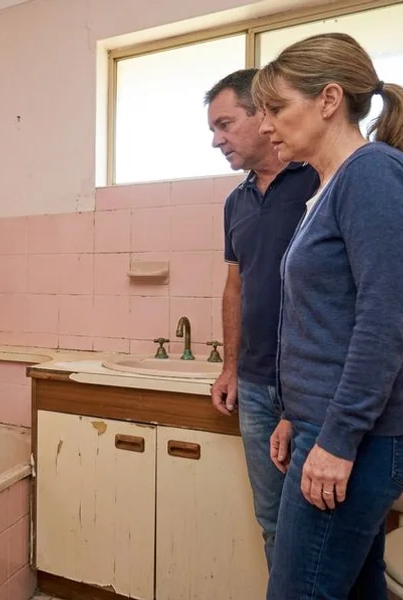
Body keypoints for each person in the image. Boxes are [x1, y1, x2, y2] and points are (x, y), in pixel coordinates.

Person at [252, 32, 403, 599]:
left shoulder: (372, 174)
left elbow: (385, 319)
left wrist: (337, 439)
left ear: (329, 99)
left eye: (276, 108)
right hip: (328, 426)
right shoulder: (330, 186)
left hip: (355, 438)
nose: (265, 125)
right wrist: (294, 413)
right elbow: (324, 323)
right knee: (361, 591)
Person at [205, 69, 319, 570]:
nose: (217, 140)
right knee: (273, 522)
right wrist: (230, 367)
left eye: (226, 124)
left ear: (262, 114)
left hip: (312, 388)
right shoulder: (236, 202)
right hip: (253, 387)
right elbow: (237, 286)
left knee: (321, 525)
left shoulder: (321, 176)